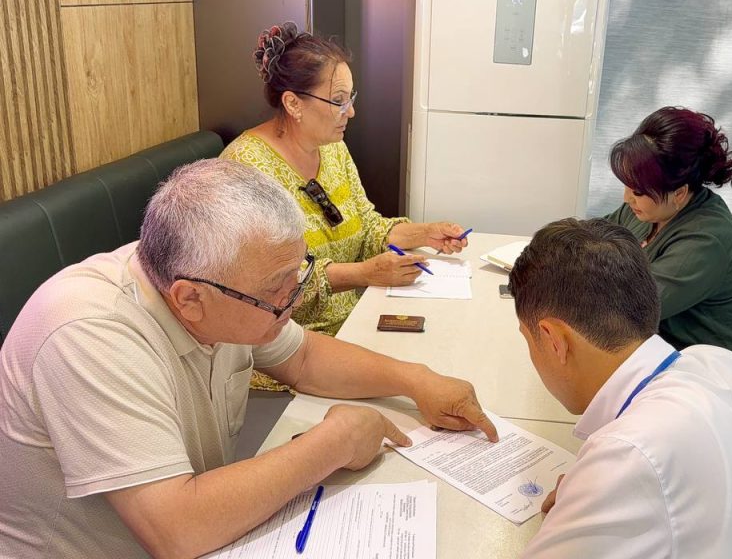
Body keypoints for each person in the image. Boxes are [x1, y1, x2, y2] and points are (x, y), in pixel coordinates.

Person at [0, 159, 497, 558]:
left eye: (297, 275)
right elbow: (177, 532)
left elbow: (303, 358)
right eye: (277, 292)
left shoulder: (215, 277)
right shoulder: (87, 332)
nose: (294, 300)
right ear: (189, 299)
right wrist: (336, 441)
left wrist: (418, 380)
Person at [509, 218, 732, 558]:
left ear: (554, 340)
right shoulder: (719, 362)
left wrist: (594, 492)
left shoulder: (628, 453)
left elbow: (641, 466)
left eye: (528, 339)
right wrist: (591, 497)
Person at [221, 22, 468, 390]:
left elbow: (365, 225)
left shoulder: (332, 148)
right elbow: (268, 286)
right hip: (289, 355)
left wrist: (424, 234)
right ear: (293, 103)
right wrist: (365, 274)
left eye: (351, 97)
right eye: (338, 100)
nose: (350, 112)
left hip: (354, 325)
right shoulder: (245, 169)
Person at [603, 106, 732, 364]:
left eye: (638, 191)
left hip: (714, 366)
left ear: (679, 193)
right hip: (661, 343)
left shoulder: (706, 241)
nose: (627, 198)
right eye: (627, 185)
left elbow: (629, 309)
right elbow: (591, 240)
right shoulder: (648, 210)